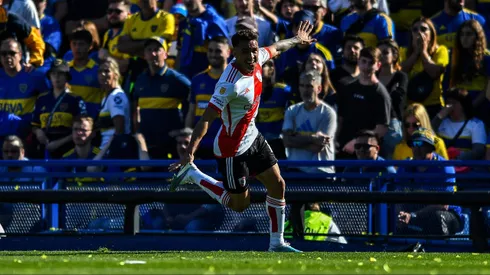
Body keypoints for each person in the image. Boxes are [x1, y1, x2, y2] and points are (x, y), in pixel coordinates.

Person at [169, 21, 319, 252]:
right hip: (232, 150)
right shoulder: (229, 84)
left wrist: (297, 40)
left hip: (253, 138)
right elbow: (206, 119)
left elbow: (277, 48)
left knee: (278, 184)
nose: (251, 55)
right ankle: (193, 175)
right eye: (245, 51)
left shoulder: (258, 57)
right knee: (239, 204)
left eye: (253, 49)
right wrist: (190, 154)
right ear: (234, 53)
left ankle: (276, 243)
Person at [396, 128, 463, 236]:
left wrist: (413, 216)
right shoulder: (404, 167)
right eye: (414, 144)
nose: (417, 148)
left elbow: (443, 204)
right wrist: (401, 214)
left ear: (431, 147)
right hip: (413, 212)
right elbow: (397, 197)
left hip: (447, 214)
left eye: (421, 144)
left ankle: (437, 251)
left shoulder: (444, 167)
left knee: (437, 217)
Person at [132, 36, 191, 160]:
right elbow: (135, 107)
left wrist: (184, 130)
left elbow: (193, 102)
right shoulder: (140, 79)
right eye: (149, 50)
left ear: (166, 54)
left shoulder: (176, 79)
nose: (153, 54)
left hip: (170, 143)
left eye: (157, 49)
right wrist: (138, 131)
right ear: (144, 55)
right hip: (147, 143)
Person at [336, 47, 391, 160]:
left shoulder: (380, 93)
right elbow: (340, 118)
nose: (366, 67)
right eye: (363, 61)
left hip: (365, 153)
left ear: (378, 66)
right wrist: (335, 140)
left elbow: (381, 129)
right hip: (344, 148)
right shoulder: (348, 87)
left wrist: (357, 143)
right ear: (358, 62)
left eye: (371, 63)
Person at [282, 70, 337, 174]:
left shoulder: (327, 113)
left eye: (309, 86)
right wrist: (312, 138)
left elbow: (318, 146)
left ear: (319, 88)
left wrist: (296, 138)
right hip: (296, 169)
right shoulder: (292, 110)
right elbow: (286, 141)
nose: (305, 90)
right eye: (302, 86)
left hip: (321, 171)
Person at [31, 59, 88, 159]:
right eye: (54, 73)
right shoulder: (41, 99)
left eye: (61, 74)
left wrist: (58, 143)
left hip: (68, 149)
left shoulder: (76, 99)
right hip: (44, 147)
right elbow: (35, 124)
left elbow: (81, 130)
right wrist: (38, 132)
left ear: (67, 77)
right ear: (50, 76)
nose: (57, 77)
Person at [185, 36, 229, 159]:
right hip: (202, 145)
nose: (213, 54)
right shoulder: (197, 80)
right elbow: (191, 112)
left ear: (228, 52)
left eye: (218, 51)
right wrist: (188, 136)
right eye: (210, 50)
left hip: (226, 146)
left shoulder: (235, 80)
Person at [0, 39, 49, 142]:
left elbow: (48, 102)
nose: (8, 57)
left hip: (26, 134)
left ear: (20, 54)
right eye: (3, 54)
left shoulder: (34, 76)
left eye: (12, 53)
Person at [401, 17, 449, 119]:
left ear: (431, 34)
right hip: (410, 106)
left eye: (423, 29)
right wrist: (415, 53)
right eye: (415, 30)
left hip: (433, 106)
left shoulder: (441, 50)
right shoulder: (403, 51)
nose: (419, 32)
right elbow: (401, 72)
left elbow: (434, 73)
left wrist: (423, 52)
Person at [449, 19, 490, 126]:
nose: (464, 38)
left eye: (469, 34)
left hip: (481, 105)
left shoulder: (486, 57)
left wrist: (471, 105)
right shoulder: (455, 56)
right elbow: (450, 83)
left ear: (477, 36)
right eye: (462, 34)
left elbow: (488, 90)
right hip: (458, 105)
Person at [432, 88, 486, 163]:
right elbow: (427, 135)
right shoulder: (441, 123)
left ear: (463, 105)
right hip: (442, 166)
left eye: (454, 103)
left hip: (465, 167)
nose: (449, 107)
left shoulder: (476, 124)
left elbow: (478, 150)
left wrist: (459, 158)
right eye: (448, 103)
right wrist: (439, 117)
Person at [177, 0, 228, 78]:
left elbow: (224, 53)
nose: (187, 1)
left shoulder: (215, 22)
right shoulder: (183, 23)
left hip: (210, 78)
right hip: (186, 75)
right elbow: (180, 52)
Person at [377, 38, 408, 159]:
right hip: (374, 123)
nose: (381, 56)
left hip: (393, 124)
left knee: (392, 160)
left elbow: (398, 99)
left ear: (394, 55)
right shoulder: (373, 76)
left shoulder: (401, 76)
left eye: (385, 53)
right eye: (379, 53)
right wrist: (390, 93)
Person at [255, 60, 291, 159]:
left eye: (260, 65)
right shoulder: (247, 90)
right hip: (254, 142)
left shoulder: (283, 91)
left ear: (271, 69)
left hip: (276, 142)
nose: (255, 68)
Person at [67, 29, 104, 118]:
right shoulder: (65, 70)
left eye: (81, 44)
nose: (77, 48)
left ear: (90, 46)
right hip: (69, 121)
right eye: (74, 44)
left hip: (92, 122)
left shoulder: (98, 70)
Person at [96, 57, 131, 149]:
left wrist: (111, 150)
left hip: (111, 149)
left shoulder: (115, 96)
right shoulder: (106, 97)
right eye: (100, 71)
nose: (103, 74)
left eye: (107, 71)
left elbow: (119, 130)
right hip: (104, 147)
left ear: (115, 74)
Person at [99, 0, 132, 74]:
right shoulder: (108, 34)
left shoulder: (129, 34)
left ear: (129, 14)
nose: (113, 14)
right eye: (110, 11)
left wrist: (107, 57)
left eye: (118, 11)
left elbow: (124, 67)